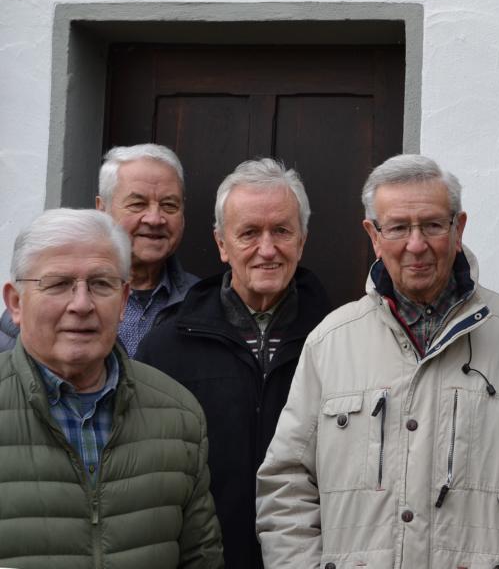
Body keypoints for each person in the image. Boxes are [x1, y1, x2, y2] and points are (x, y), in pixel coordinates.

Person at [256, 154, 499, 569]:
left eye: (432, 225)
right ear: (374, 235)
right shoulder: (331, 342)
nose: (416, 244)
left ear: (458, 228)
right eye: (398, 227)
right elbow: (286, 484)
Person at [137, 158, 332, 569]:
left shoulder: (339, 340)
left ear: (303, 240)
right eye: (248, 233)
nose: (267, 249)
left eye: (281, 230)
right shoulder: (165, 347)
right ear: (222, 244)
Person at [0, 208, 222, 568]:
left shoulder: (178, 414)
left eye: (101, 284)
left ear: (122, 300)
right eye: (57, 284)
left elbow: (201, 559)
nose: (82, 304)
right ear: (15, 303)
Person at [0, 143, 198, 356]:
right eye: (137, 204)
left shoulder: (200, 302)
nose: (155, 219)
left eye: (169, 205)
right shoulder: (47, 296)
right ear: (102, 208)